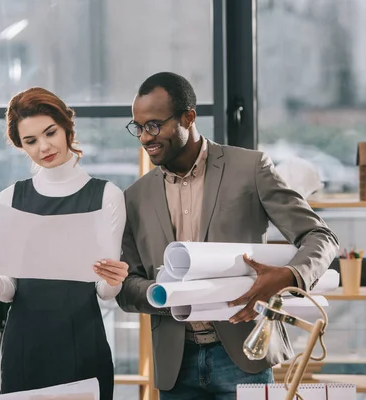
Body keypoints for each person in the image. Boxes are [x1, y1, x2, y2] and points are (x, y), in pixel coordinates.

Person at [105, 72, 339, 399]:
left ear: (188, 116)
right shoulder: (134, 197)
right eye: (139, 127)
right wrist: (163, 293)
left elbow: (320, 236)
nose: (145, 137)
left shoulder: (251, 168)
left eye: (154, 125)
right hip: (176, 364)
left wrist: (288, 276)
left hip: (246, 355)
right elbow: (126, 286)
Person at [0, 87, 128, 399]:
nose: (44, 146)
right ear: (21, 146)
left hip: (83, 344)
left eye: (50, 132)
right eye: (31, 141)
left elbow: (104, 292)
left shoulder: (107, 196)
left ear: (67, 127)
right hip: (25, 347)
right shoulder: (11, 197)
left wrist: (114, 280)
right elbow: (8, 290)